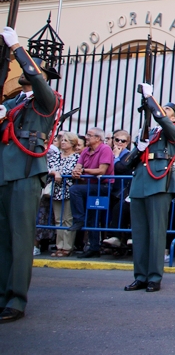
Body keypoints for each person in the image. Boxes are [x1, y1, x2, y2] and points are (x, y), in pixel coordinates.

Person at [0, 29, 62, 323]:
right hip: (3, 173)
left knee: (20, 237)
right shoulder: (12, 103)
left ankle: (16, 299)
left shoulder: (46, 100)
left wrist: (15, 47)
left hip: (26, 171)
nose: (26, 71)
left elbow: (35, 77)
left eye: (33, 66)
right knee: (2, 239)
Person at [125, 85, 175, 292]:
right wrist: (138, 148)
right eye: (163, 108)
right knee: (140, 232)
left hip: (159, 181)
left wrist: (150, 98)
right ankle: (140, 275)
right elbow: (127, 163)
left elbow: (161, 118)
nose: (163, 111)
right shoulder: (149, 133)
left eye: (168, 110)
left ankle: (154, 276)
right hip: (141, 181)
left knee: (156, 232)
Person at [70, 128, 115, 259]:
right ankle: (94, 248)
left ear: (97, 138)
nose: (86, 137)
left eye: (89, 135)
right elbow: (78, 167)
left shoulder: (105, 149)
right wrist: (76, 171)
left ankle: (78, 219)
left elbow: (102, 170)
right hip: (91, 186)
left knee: (75, 190)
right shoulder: (85, 151)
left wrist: (83, 170)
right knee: (92, 217)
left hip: (104, 186)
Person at [47, 132, 79, 257]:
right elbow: (49, 167)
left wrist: (58, 172)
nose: (63, 142)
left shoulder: (76, 157)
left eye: (66, 140)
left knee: (68, 219)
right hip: (56, 190)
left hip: (68, 190)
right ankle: (59, 246)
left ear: (72, 143)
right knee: (58, 219)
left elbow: (71, 171)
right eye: (62, 140)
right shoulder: (56, 155)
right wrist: (55, 173)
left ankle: (67, 247)